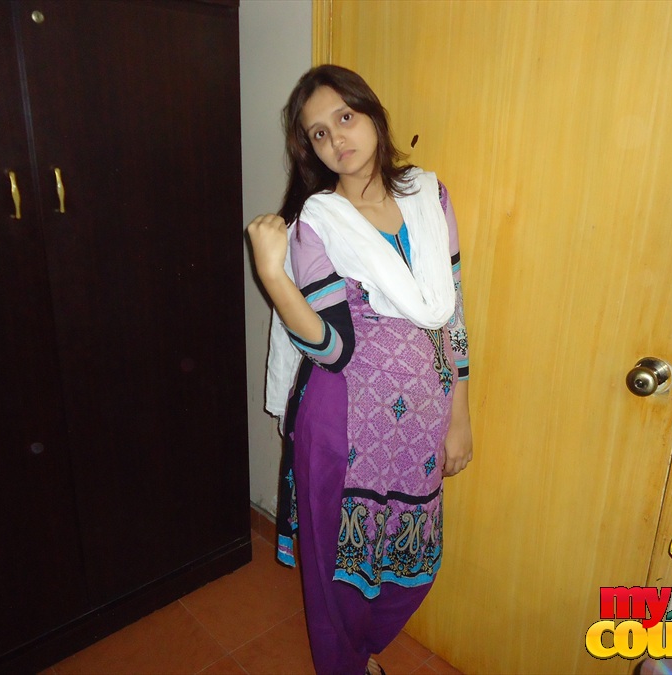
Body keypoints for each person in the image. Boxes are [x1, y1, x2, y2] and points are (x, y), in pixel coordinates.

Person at [246, 64, 473, 675]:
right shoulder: (317, 223)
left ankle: (357, 649)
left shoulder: (430, 198)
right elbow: (332, 349)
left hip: (421, 421)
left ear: (372, 114)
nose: (336, 139)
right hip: (342, 422)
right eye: (318, 133)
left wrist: (460, 416)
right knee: (337, 570)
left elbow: (452, 313)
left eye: (344, 117)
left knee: (412, 565)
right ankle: (344, 664)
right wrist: (271, 274)